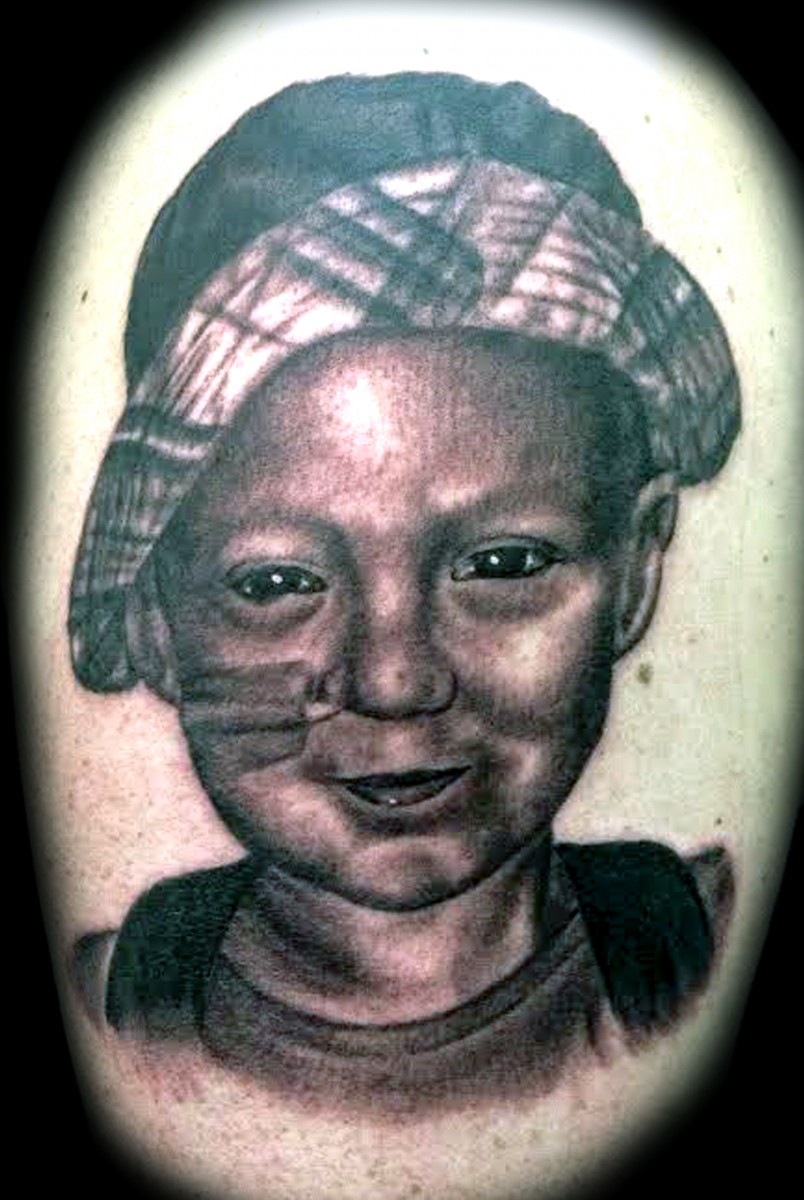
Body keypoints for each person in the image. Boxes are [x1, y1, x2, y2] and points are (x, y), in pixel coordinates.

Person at [68, 72, 740, 1115]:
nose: (394, 681)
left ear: (640, 567)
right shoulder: (115, 1008)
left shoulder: (701, 952)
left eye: (503, 566)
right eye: (278, 582)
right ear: (156, 616)